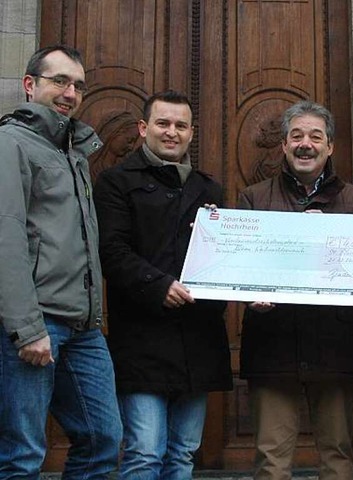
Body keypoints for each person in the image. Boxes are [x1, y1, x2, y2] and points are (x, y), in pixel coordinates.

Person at [93, 90, 233, 479]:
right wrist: (158, 286)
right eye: (163, 123)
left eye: (181, 126)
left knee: (183, 455)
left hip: (198, 341)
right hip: (141, 340)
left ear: (191, 133)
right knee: (144, 452)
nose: (172, 132)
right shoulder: (115, 182)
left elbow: (226, 255)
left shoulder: (210, 189)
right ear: (143, 128)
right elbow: (112, 250)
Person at [0, 45, 122, 478]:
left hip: (82, 327)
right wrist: (27, 328)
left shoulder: (72, 153)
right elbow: (6, 238)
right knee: (23, 453)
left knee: (103, 438)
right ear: (30, 85)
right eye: (60, 81)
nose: (71, 93)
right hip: (34, 324)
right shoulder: (10, 143)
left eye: (78, 85)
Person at [237, 100, 353, 480]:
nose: (305, 144)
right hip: (273, 343)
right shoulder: (253, 198)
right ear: (283, 145)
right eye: (296, 136)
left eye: (316, 136)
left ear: (330, 147)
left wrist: (338, 238)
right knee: (271, 460)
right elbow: (242, 265)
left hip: (335, 344)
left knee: (338, 455)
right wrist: (251, 295)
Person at [89, 110, 140, 181]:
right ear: (114, 133)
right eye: (129, 141)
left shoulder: (128, 168)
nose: (131, 147)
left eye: (134, 142)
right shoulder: (87, 165)